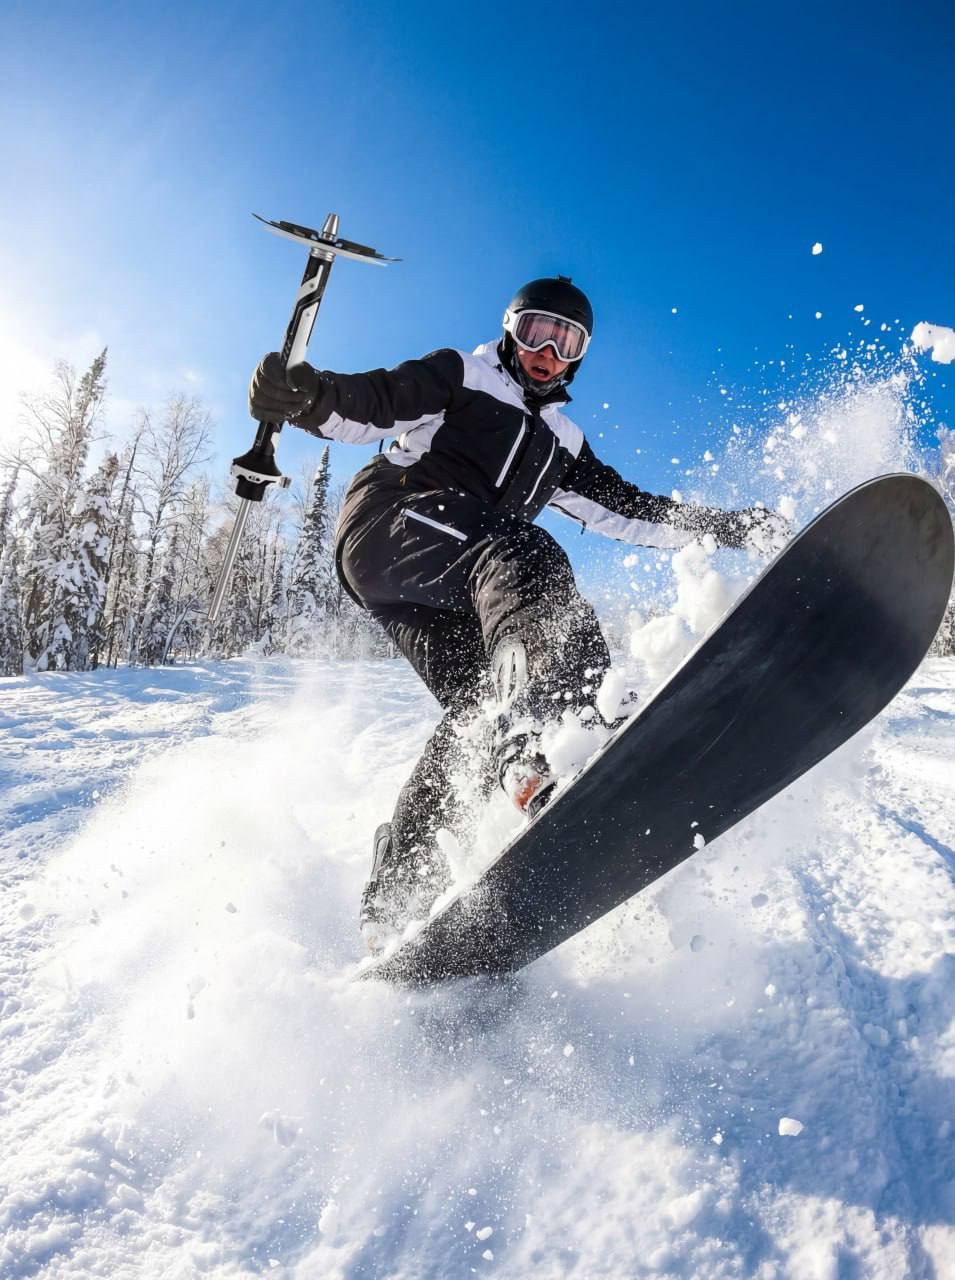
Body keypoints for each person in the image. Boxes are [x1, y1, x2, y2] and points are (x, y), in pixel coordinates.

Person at [249, 276, 787, 951]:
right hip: (394, 523)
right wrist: (308, 395)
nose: (547, 351)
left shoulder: (563, 438)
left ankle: (397, 898)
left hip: (456, 584)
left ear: (579, 357)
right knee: (527, 553)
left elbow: (627, 509)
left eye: (567, 342)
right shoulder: (462, 375)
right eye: (536, 330)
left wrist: (725, 526)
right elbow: (373, 403)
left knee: (479, 711)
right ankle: (562, 726)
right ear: (510, 329)